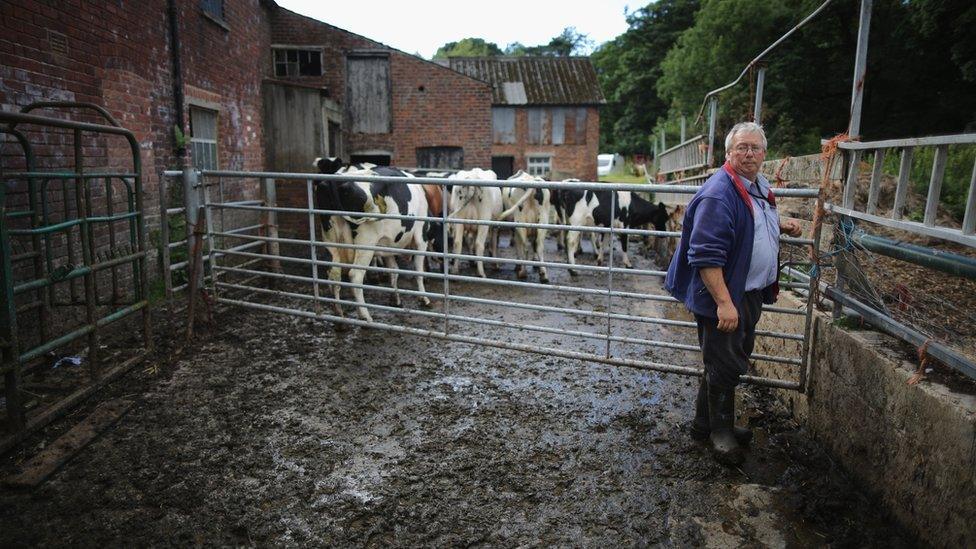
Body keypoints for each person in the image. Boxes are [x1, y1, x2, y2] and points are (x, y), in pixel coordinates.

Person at [665, 122, 802, 465]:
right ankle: (721, 433)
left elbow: (748, 219)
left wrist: (778, 224)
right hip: (724, 294)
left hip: (746, 291)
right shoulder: (719, 193)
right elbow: (706, 256)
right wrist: (725, 303)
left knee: (722, 359)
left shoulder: (754, 185)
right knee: (725, 363)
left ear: (764, 154)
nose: (749, 153)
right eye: (741, 147)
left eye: (755, 147)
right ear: (728, 153)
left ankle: (703, 425)